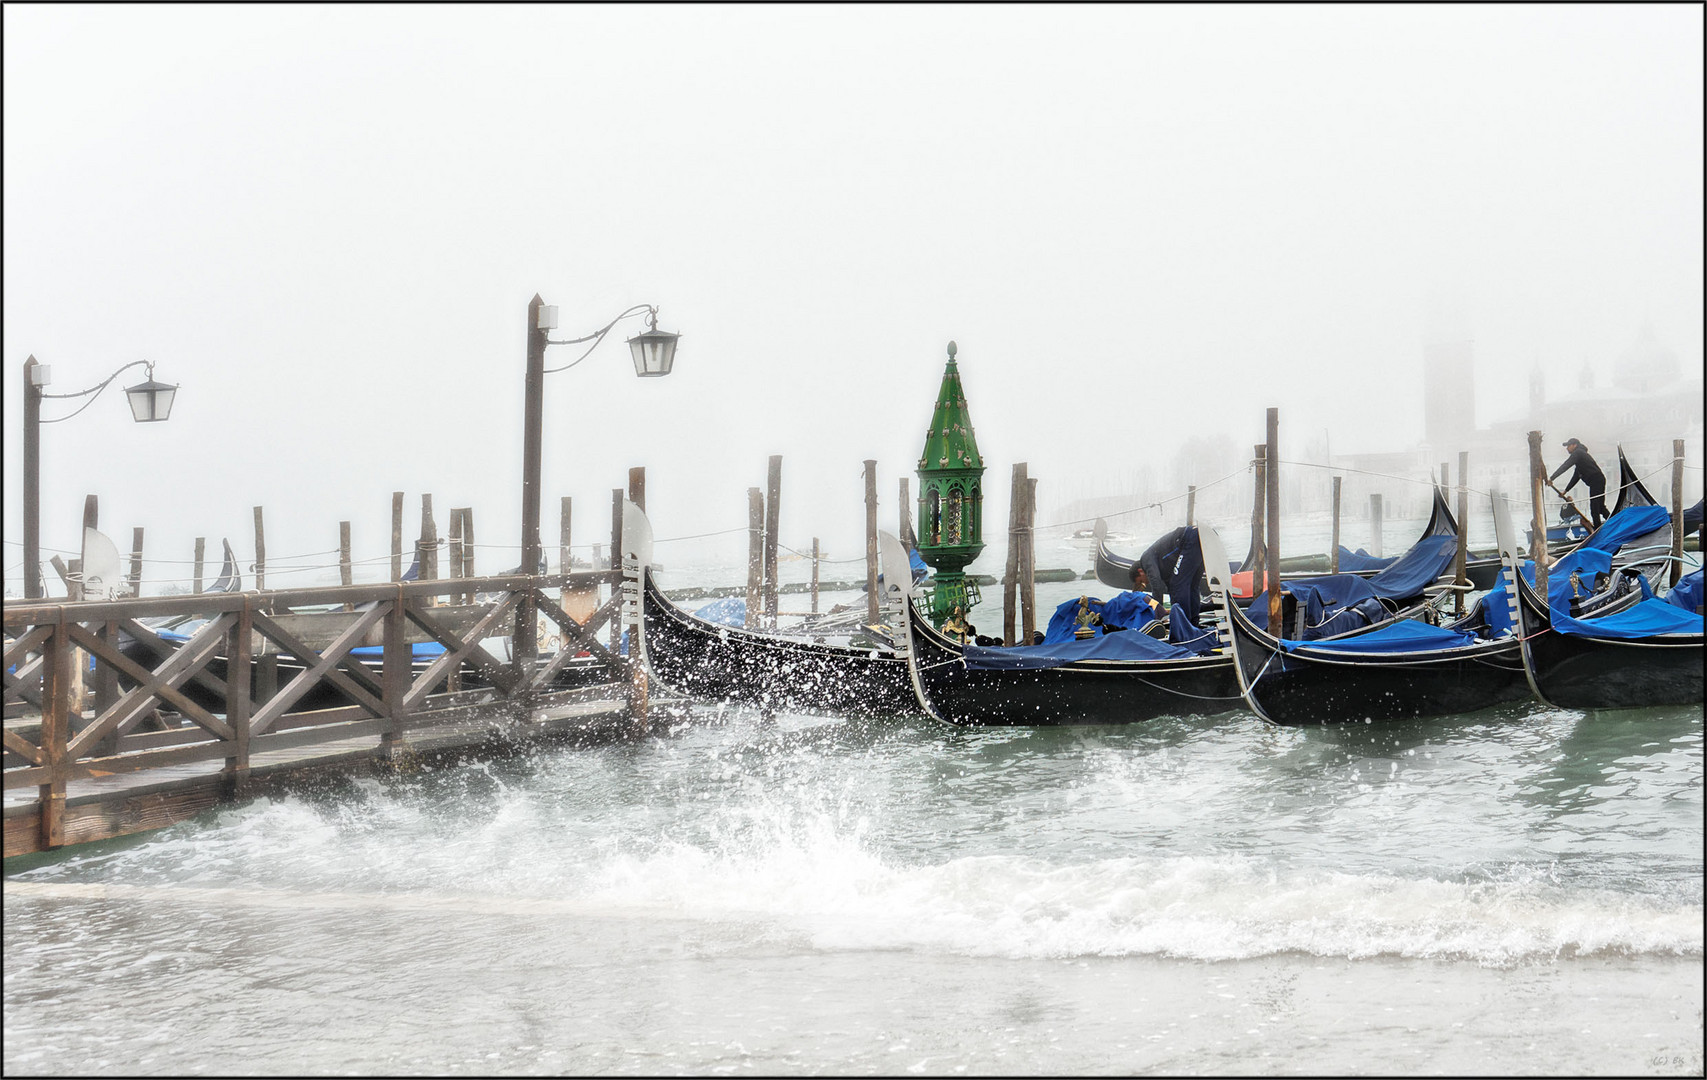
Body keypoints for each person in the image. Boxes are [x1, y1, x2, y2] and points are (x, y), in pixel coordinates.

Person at [1549, 437, 1608, 529]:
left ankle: (1598, 530)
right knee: (1600, 507)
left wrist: (1552, 478)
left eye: (1568, 446)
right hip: (1598, 481)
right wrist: (1565, 491)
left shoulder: (1578, 453)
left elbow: (1566, 465)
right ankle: (1614, 523)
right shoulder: (1580, 458)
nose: (1567, 448)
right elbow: (1575, 477)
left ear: (1574, 445)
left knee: (1595, 509)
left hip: (1596, 481)